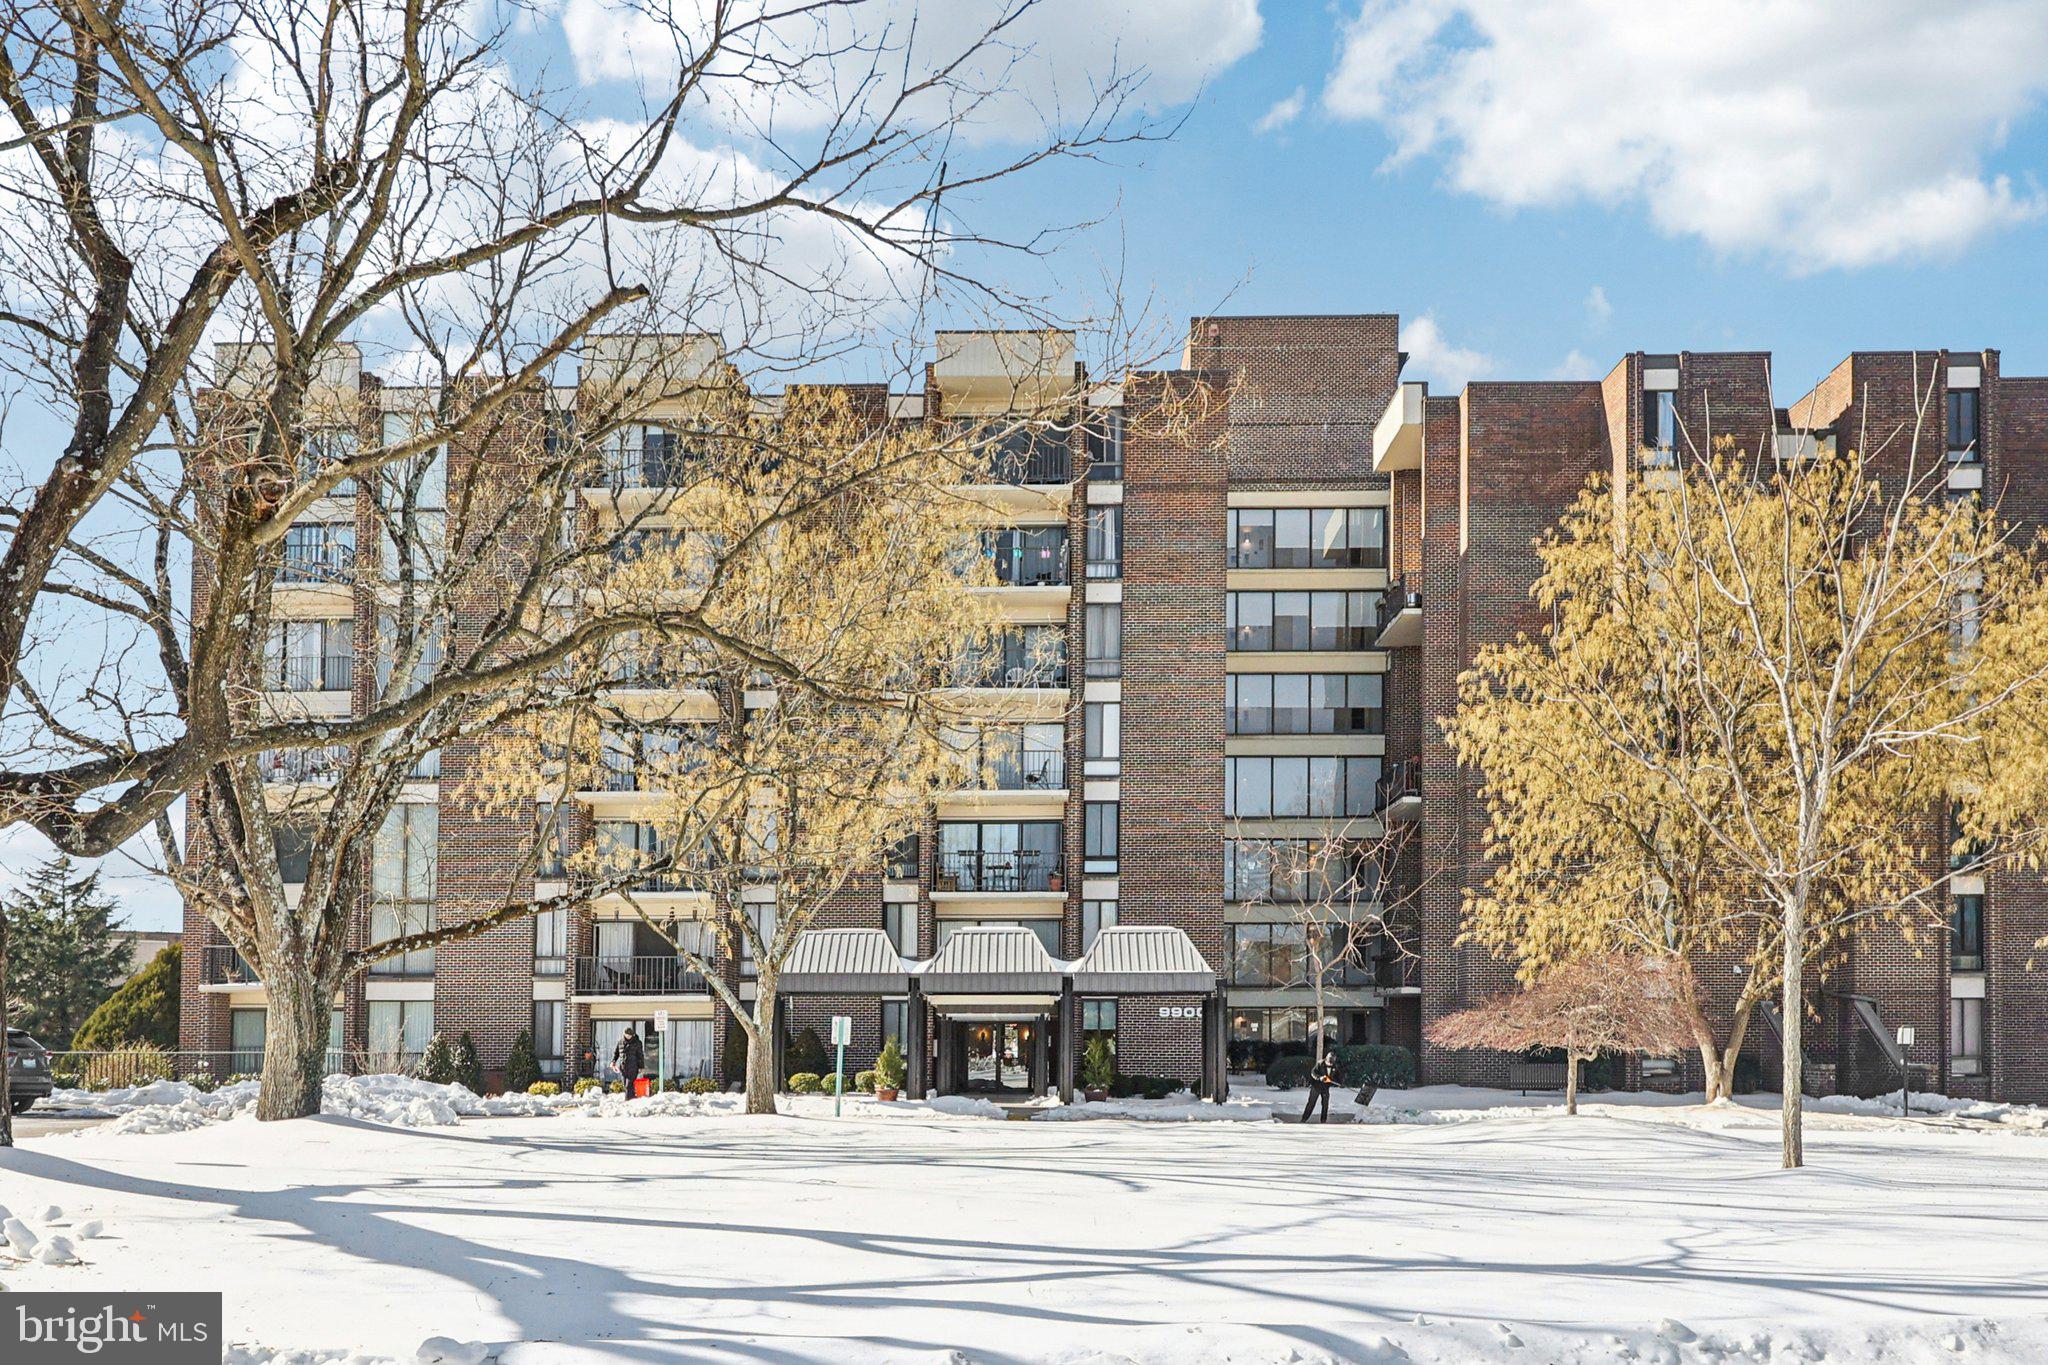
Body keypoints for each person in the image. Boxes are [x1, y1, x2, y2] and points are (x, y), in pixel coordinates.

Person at [1300, 1050, 1338, 1124]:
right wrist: (1319, 1078)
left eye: (1332, 1062)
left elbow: (1337, 1076)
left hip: (1325, 1087)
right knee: (1311, 1103)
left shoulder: (1335, 1066)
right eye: (1329, 1062)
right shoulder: (1320, 1064)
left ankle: (1323, 1120)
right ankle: (1304, 1119)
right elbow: (1313, 1073)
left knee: (1325, 1104)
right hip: (1316, 1086)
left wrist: (1340, 1083)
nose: (1330, 1064)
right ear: (1326, 1059)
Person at [613, 1025, 644, 1094]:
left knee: (628, 1085)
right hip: (623, 1067)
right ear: (624, 1034)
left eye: (630, 1035)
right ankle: (632, 1099)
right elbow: (616, 1053)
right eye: (627, 1035)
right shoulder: (620, 1042)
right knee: (625, 1085)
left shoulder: (637, 1042)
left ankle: (628, 1100)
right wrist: (613, 1061)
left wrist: (641, 1067)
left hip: (633, 1066)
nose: (628, 1036)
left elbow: (640, 1055)